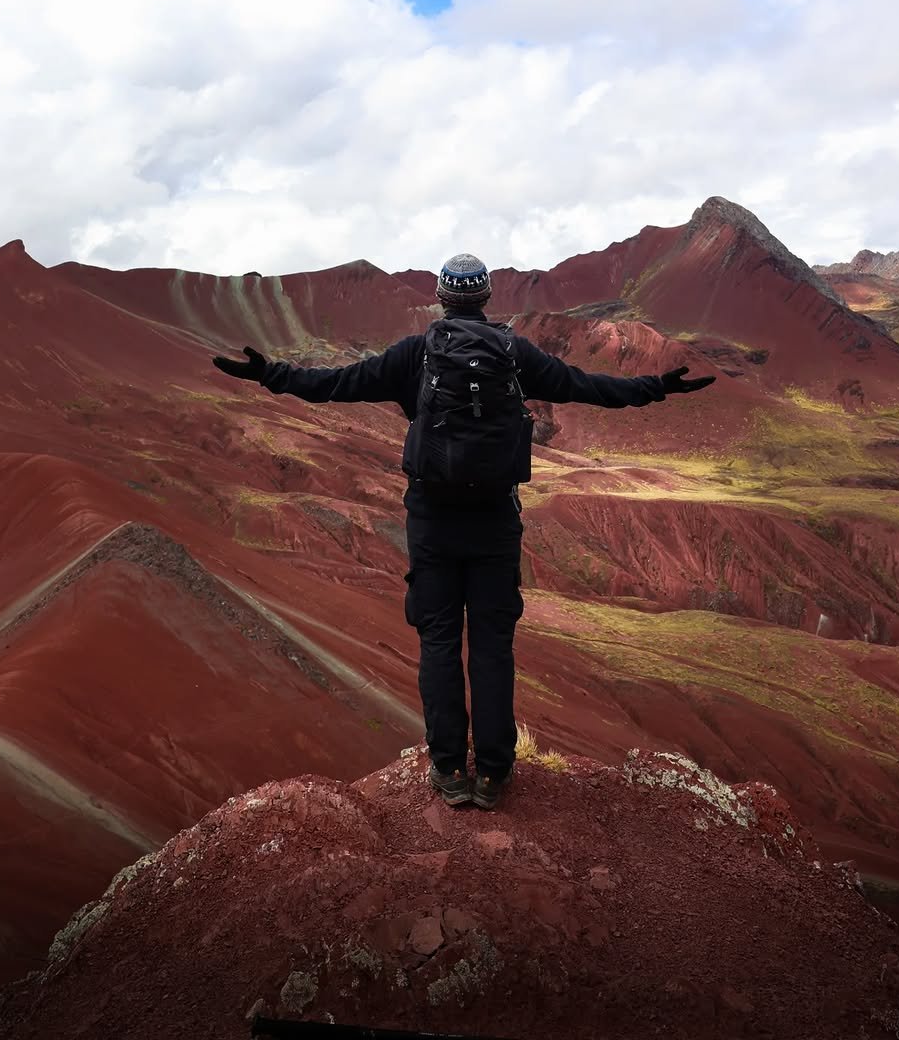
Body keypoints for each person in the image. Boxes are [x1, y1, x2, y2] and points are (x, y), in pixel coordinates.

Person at [213, 253, 715, 811]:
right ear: (485, 298)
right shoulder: (514, 353)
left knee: (439, 643)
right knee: (494, 648)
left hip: (432, 520)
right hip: (496, 520)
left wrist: (268, 374)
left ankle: (450, 769)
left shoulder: (414, 355)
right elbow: (585, 386)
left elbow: (334, 384)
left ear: (442, 296)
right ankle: (495, 773)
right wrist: (655, 387)